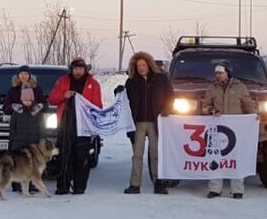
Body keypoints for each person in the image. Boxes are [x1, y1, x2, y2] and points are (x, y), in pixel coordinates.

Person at [115, 51, 174, 195]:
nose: (141, 67)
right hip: (138, 123)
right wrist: (118, 92)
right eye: (138, 65)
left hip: (156, 122)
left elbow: (170, 96)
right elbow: (124, 100)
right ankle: (135, 184)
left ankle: (158, 183)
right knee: (137, 155)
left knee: (156, 154)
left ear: (149, 64)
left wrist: (167, 109)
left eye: (143, 64)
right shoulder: (131, 82)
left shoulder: (161, 79)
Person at [48, 57, 103, 195]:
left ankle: (79, 186)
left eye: (80, 68)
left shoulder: (93, 84)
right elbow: (52, 98)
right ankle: (62, 186)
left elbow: (97, 106)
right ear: (71, 69)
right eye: (76, 69)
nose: (78, 71)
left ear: (85, 69)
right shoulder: (63, 81)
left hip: (84, 125)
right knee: (63, 156)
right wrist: (64, 95)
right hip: (65, 122)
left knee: (82, 157)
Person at [201, 63, 257, 199]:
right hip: (218, 129)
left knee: (236, 158)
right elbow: (204, 106)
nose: (218, 75)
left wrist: (254, 115)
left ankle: (237, 189)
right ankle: (215, 189)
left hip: (236, 129)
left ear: (227, 73)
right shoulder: (212, 88)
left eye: (220, 73)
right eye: (216, 73)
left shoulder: (239, 87)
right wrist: (211, 110)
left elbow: (248, 104)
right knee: (216, 157)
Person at [2, 65, 47, 194]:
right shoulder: (13, 91)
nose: (23, 76)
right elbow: (5, 108)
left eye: (26, 74)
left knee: (33, 158)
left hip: (34, 127)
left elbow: (45, 104)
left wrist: (36, 106)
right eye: (21, 74)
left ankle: (33, 183)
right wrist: (15, 106)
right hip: (18, 129)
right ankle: (16, 183)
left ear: (29, 76)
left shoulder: (36, 90)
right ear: (17, 76)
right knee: (17, 157)